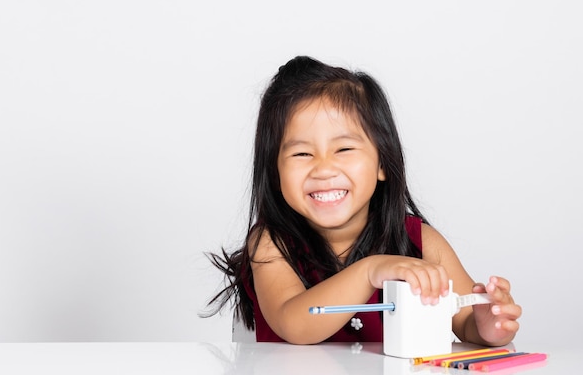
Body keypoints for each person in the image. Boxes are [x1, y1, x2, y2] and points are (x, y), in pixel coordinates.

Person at [203, 55, 521, 345]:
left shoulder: (419, 241)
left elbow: (463, 318)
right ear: (274, 172)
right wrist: (370, 271)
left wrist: (487, 324)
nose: (324, 168)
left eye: (344, 149)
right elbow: (294, 324)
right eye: (302, 153)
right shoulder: (271, 243)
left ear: (382, 163)